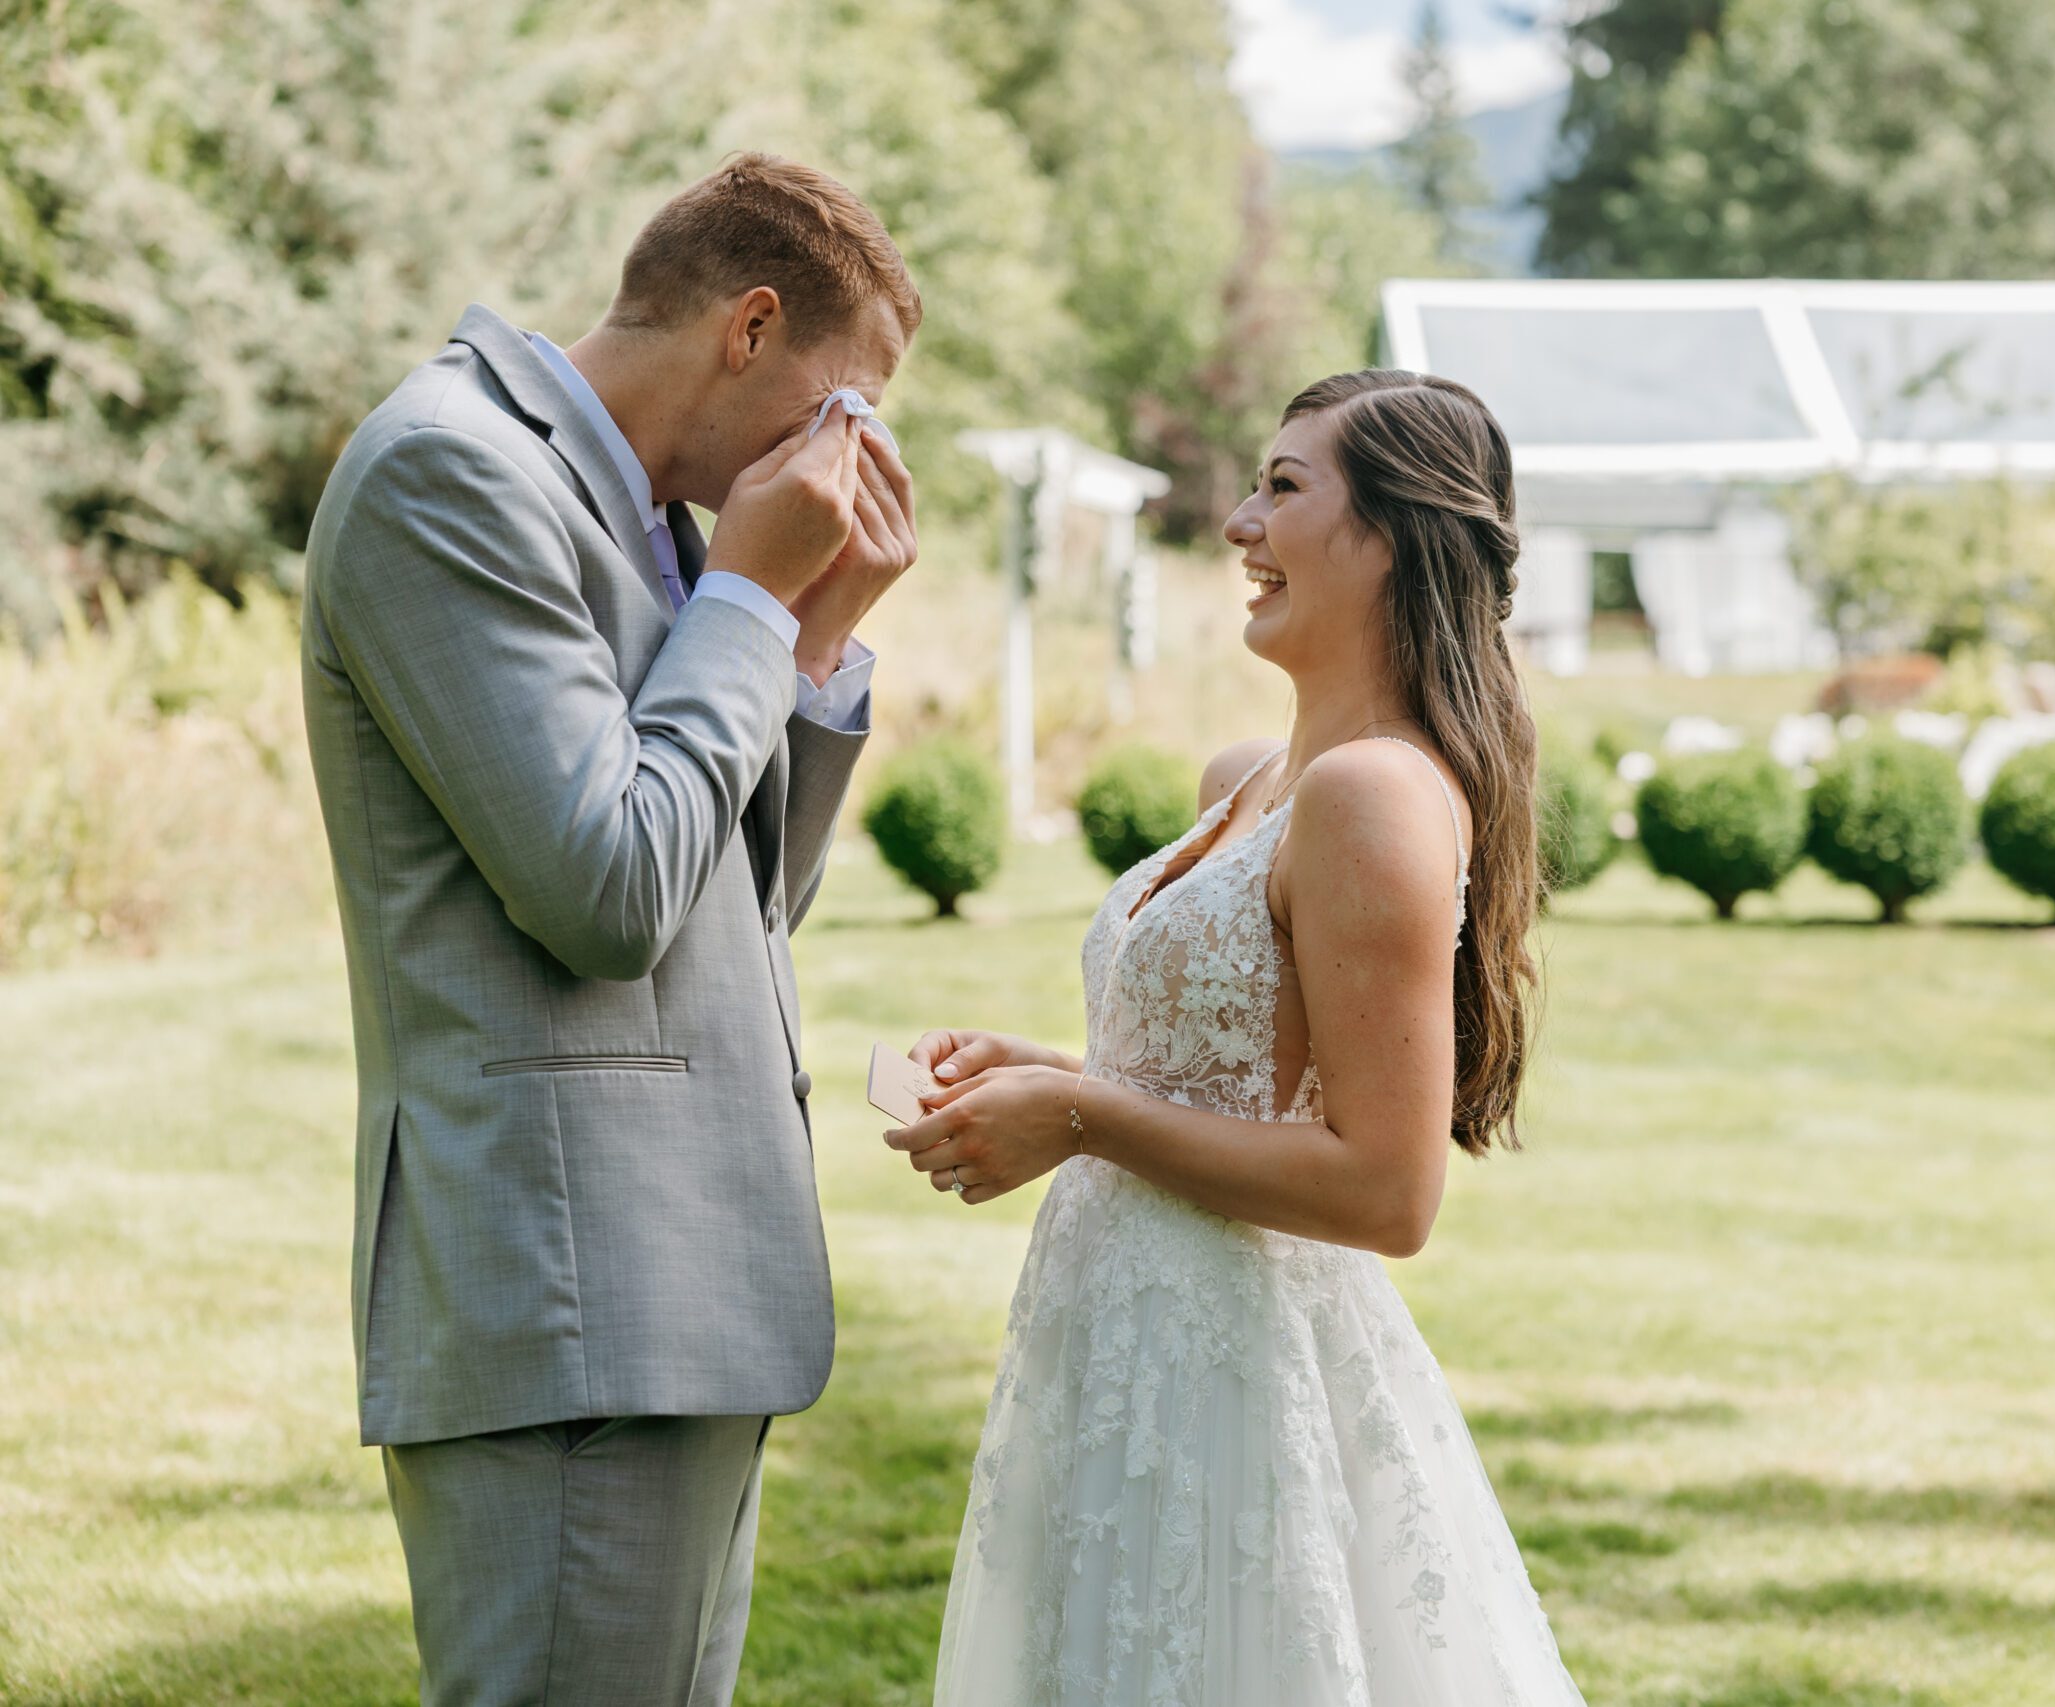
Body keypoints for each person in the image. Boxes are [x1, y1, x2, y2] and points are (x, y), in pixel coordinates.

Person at [300, 153, 920, 1705]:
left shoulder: (665, 522)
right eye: (839, 410)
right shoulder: (452, 473)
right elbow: (605, 891)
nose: (847, 462)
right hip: (572, 1294)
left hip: (685, 1292)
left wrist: (813, 634)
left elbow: (738, 901)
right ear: (749, 326)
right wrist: (754, 607)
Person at [891, 370, 1589, 1703]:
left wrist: (1085, 1120)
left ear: (1388, 535)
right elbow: (1241, 1081)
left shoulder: (1374, 793)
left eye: (1280, 487)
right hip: (1117, 1340)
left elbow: (1386, 1191)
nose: (1235, 525)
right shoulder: (1248, 783)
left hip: (1239, 1368)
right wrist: (1051, 1075)